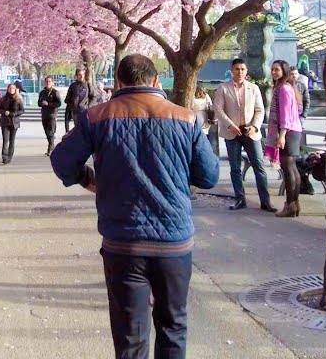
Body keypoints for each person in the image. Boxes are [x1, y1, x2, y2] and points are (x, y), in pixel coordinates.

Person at [51, 54, 219, 359]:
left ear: (119, 82)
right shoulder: (185, 118)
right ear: (156, 81)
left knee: (130, 336)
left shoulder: (97, 117)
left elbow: (62, 161)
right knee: (173, 326)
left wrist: (88, 179)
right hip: (174, 243)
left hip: (123, 244)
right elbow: (209, 176)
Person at [214, 58, 274, 212]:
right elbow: (218, 109)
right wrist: (230, 125)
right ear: (231, 70)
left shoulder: (253, 88)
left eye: (242, 69)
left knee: (259, 166)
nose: (240, 72)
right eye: (237, 69)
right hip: (231, 132)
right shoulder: (223, 88)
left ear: (246, 71)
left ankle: (265, 201)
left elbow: (260, 110)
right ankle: (240, 199)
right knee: (235, 168)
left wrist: (255, 126)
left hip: (250, 132)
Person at [266, 60, 304, 218]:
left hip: (287, 131)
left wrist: (281, 136)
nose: (274, 72)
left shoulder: (284, 89)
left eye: (277, 70)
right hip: (292, 130)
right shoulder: (287, 88)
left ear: (284, 71)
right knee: (292, 168)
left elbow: (286, 115)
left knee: (288, 170)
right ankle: (294, 204)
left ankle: (290, 204)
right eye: (272, 69)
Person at [0, 82, 24, 165]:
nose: (11, 90)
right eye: (10, 88)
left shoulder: (18, 99)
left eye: (13, 88)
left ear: (15, 90)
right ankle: (4, 157)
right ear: (8, 89)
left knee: (12, 140)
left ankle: (9, 156)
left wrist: (15, 114)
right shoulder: (3, 99)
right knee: (5, 140)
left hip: (14, 122)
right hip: (5, 122)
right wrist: (4, 112)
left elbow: (22, 110)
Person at [37, 77, 61, 156]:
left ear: (52, 83)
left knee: (51, 132)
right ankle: (52, 147)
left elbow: (59, 103)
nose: (48, 83)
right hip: (44, 114)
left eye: (49, 81)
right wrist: (42, 103)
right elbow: (39, 103)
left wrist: (49, 104)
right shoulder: (42, 92)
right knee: (47, 132)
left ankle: (50, 149)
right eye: (46, 81)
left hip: (52, 114)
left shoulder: (55, 92)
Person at [191, 85, 216, 158]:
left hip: (195, 115)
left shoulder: (192, 97)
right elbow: (210, 106)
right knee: (205, 133)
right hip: (204, 116)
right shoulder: (206, 96)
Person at [64, 68, 91, 134]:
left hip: (85, 110)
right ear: (76, 76)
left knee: (84, 128)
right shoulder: (73, 86)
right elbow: (67, 99)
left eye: (83, 74)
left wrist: (89, 105)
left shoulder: (88, 85)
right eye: (79, 75)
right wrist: (72, 104)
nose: (81, 76)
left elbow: (93, 96)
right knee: (77, 128)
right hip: (75, 111)